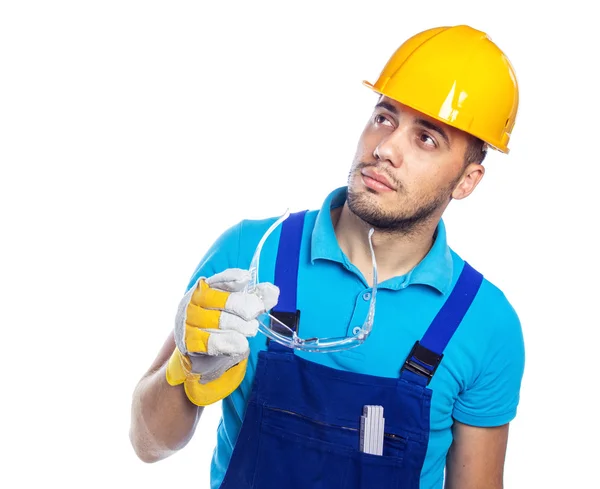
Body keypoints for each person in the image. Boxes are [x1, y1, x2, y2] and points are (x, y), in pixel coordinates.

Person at [129, 24, 526, 489]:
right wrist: (186, 368)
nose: (386, 148)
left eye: (427, 138)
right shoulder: (251, 255)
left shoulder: (484, 322)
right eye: (385, 117)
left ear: (467, 180)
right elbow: (148, 443)